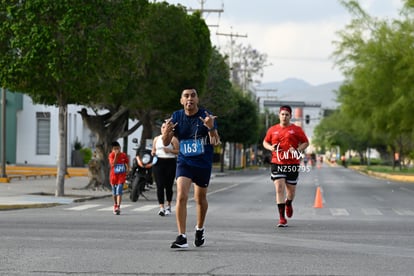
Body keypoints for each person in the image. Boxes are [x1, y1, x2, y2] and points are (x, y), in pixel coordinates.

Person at [163, 88, 221, 248]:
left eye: (193, 96)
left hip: (202, 163)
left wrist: (211, 127)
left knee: (200, 199)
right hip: (184, 162)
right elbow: (166, 142)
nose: (190, 99)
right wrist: (165, 133)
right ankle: (182, 236)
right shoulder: (176, 116)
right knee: (181, 195)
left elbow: (216, 142)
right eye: (186, 96)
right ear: (182, 101)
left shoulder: (206, 115)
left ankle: (200, 228)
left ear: (197, 99)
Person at [263, 105, 309, 227]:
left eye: (287, 114)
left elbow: (306, 142)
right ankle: (282, 218)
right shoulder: (272, 129)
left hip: (292, 163)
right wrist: (270, 147)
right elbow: (265, 142)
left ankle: (288, 203)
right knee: (279, 188)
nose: (284, 116)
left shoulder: (296, 129)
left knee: (291, 191)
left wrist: (297, 150)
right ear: (279, 115)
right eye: (282, 114)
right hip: (277, 162)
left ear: (290, 116)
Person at [151, 123, 179, 216]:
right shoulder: (156, 139)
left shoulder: (173, 139)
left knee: (168, 186)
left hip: (170, 162)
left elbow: (178, 151)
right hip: (158, 163)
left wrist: (170, 150)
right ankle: (161, 207)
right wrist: (153, 153)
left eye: (166, 127)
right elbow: (153, 150)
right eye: (163, 127)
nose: (164, 129)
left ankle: (168, 205)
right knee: (159, 185)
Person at [108, 141, 129, 215]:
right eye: (115, 149)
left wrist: (127, 169)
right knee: (114, 192)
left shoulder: (123, 155)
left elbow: (126, 162)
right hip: (113, 176)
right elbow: (113, 164)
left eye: (118, 148)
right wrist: (116, 155)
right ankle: (115, 204)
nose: (117, 150)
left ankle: (118, 207)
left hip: (121, 175)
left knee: (119, 190)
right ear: (112, 150)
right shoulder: (111, 155)